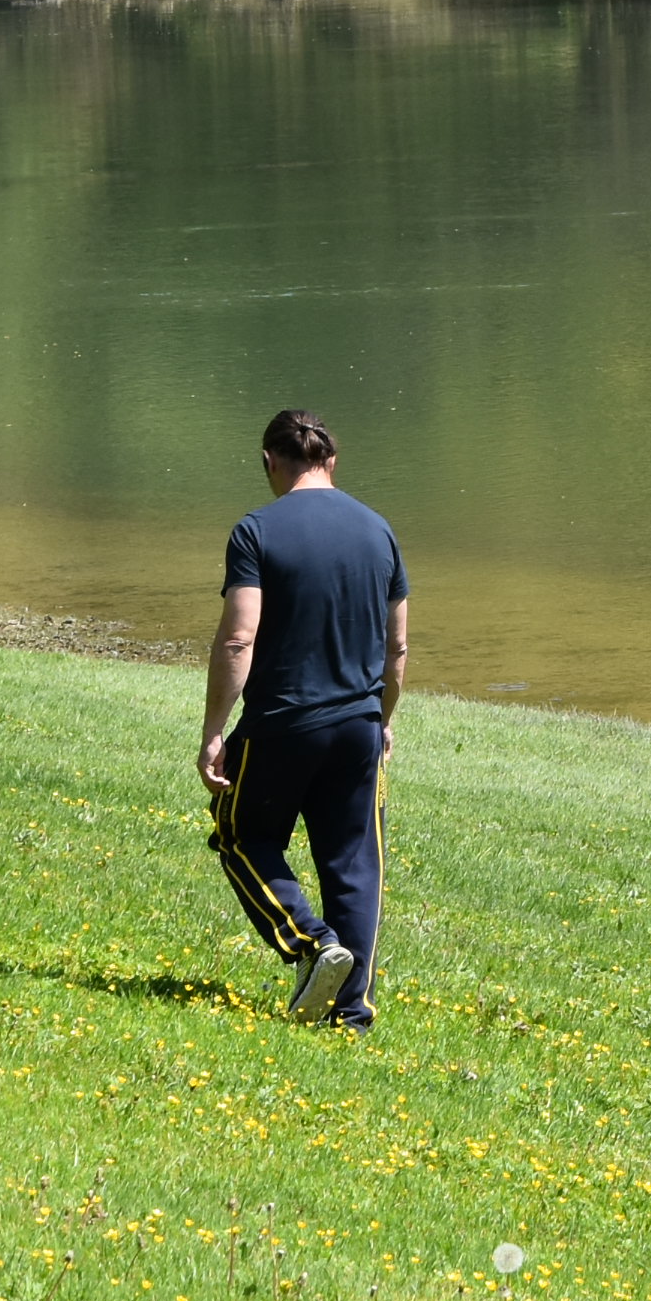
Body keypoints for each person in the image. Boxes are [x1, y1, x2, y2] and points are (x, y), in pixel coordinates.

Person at [200, 406, 408, 1026]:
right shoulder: (379, 531)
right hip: (359, 725)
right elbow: (396, 647)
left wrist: (214, 730)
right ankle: (351, 1011)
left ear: (269, 462)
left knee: (242, 835)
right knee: (353, 862)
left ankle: (315, 944)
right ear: (332, 462)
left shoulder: (256, 531)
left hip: (283, 725)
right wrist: (384, 719)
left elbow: (240, 638)